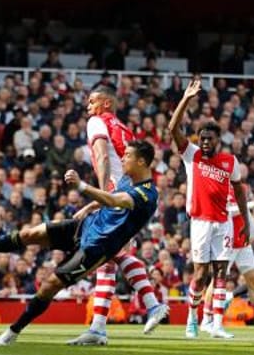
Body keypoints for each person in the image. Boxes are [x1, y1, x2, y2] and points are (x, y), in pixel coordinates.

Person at [0, 140, 157, 347]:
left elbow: (116, 201)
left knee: (49, 286)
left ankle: (12, 331)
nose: (122, 158)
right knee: (30, 233)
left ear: (141, 161)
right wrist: (89, 208)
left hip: (97, 248)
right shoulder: (127, 180)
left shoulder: (147, 194)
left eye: (128, 155)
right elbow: (109, 197)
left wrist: (81, 186)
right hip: (85, 226)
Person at [67, 87, 169, 345]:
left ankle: (152, 305)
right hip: (131, 192)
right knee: (108, 259)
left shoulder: (96, 121)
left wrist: (102, 197)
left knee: (111, 254)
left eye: (92, 101)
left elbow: (102, 156)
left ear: (106, 103)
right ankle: (99, 328)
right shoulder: (123, 128)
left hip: (117, 193)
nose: (88, 106)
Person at [169, 79, 249, 339]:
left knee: (221, 273)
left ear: (217, 140)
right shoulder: (191, 155)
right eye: (201, 138)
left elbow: (239, 191)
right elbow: (172, 128)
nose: (204, 142)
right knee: (201, 274)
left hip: (224, 222)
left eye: (208, 139)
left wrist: (246, 222)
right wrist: (186, 99)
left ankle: (216, 324)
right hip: (200, 222)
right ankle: (192, 317)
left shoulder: (229, 162)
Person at [198, 189, 254, 333]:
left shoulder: (241, 187)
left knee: (253, 280)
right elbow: (230, 211)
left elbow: (245, 213)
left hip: (244, 243)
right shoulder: (221, 187)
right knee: (217, 281)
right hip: (227, 243)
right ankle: (206, 319)